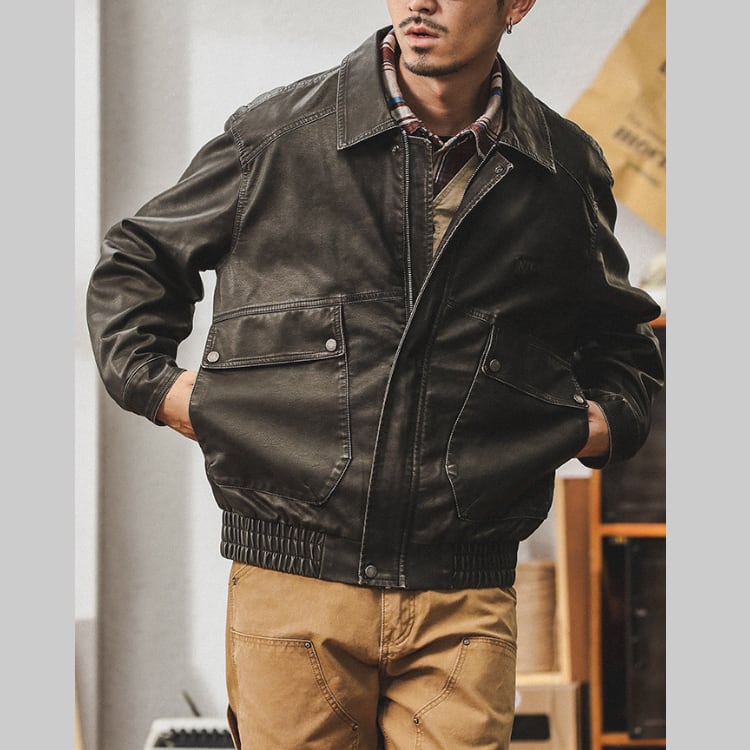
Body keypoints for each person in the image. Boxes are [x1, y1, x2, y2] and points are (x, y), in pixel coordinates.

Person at [86, 0, 665, 747]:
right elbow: (136, 264)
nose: (419, 2)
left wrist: (594, 425)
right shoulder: (277, 137)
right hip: (293, 583)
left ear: (517, 4)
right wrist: (165, 391)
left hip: (464, 597)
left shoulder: (560, 169)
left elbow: (622, 342)